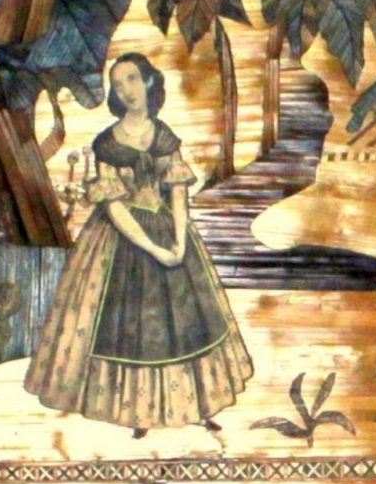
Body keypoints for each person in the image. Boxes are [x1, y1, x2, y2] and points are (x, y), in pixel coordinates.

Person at [24, 55, 254, 434]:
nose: (126, 90)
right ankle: (137, 413)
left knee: (186, 320)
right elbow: (115, 207)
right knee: (128, 328)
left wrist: (179, 243)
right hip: (122, 240)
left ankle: (196, 406)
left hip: (170, 231)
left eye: (132, 79)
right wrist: (154, 248)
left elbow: (178, 193)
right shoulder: (107, 143)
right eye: (117, 85)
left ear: (149, 82)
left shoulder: (164, 136)